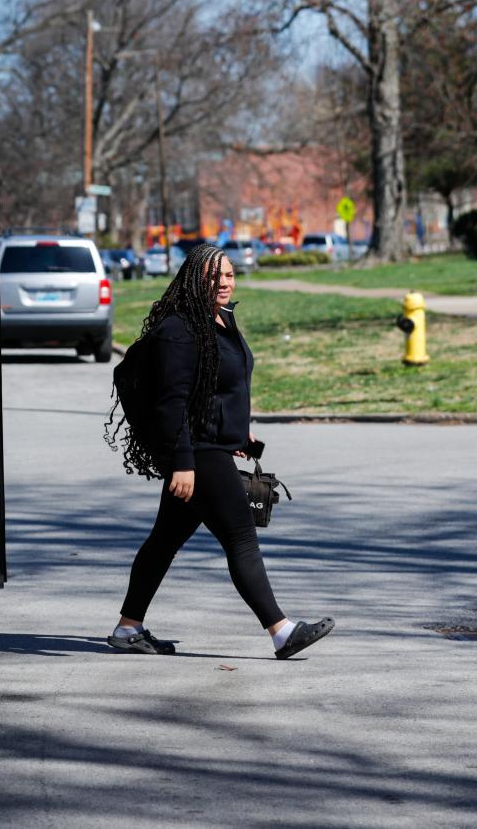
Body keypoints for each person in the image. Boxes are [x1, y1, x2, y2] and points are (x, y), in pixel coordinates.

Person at [105, 243, 333, 659]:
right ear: (196, 279)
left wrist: (239, 436)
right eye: (215, 276)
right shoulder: (180, 330)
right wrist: (182, 463)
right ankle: (281, 632)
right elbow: (171, 402)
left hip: (210, 448)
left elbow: (219, 387)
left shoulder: (221, 320)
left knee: (162, 542)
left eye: (229, 274)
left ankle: (127, 629)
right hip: (196, 453)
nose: (224, 282)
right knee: (241, 538)